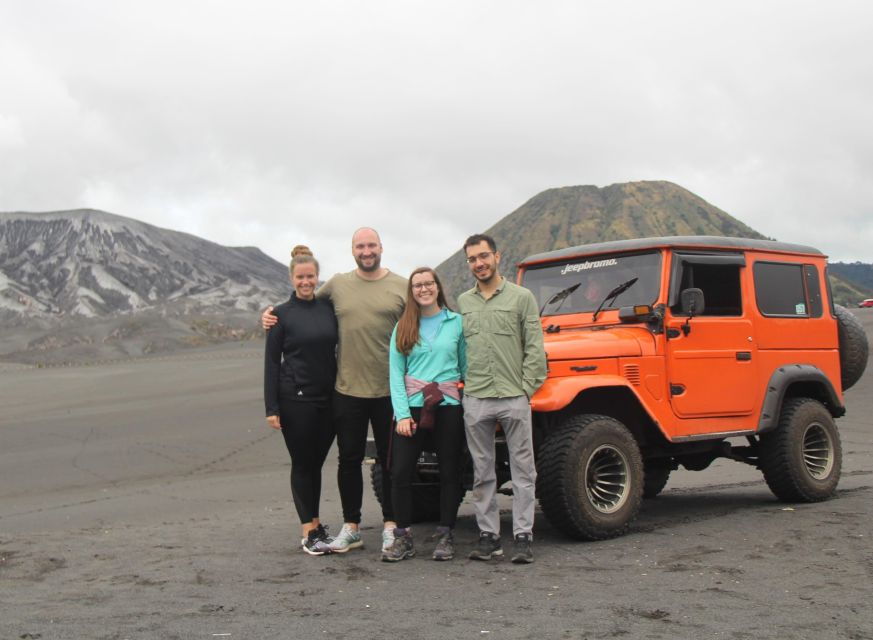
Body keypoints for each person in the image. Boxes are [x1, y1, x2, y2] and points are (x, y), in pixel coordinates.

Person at [262, 228, 406, 553]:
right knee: (328, 462)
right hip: (323, 396)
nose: (306, 281)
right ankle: (330, 528)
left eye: (310, 276)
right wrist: (269, 316)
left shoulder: (391, 287)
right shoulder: (310, 300)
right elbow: (278, 349)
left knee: (378, 461)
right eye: (360, 246)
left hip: (362, 395)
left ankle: (386, 526)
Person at [458, 233, 547, 564]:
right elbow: (461, 348)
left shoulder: (522, 298)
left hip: (513, 396)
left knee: (524, 469)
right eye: (472, 259)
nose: (479, 263)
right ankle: (489, 536)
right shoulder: (464, 302)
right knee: (482, 470)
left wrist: (527, 388)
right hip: (477, 397)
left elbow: (535, 347)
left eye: (483, 256)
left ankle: (523, 536)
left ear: (496, 256)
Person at [382, 268, 466, 562]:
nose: (423, 289)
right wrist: (402, 414)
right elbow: (395, 374)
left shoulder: (456, 323)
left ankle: (446, 534)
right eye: (417, 285)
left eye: (428, 283)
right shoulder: (403, 326)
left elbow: (465, 367)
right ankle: (403, 537)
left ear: (437, 287)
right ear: (412, 291)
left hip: (448, 406)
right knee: (401, 471)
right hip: (413, 408)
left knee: (450, 470)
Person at [264, 245, 338, 555]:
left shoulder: (327, 308)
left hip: (328, 398)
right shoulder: (280, 315)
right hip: (295, 400)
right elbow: (271, 362)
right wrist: (272, 408)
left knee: (316, 463)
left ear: (318, 276)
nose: (306, 282)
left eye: (310, 276)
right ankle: (308, 531)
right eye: (300, 277)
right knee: (303, 464)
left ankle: (317, 525)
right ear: (292, 278)